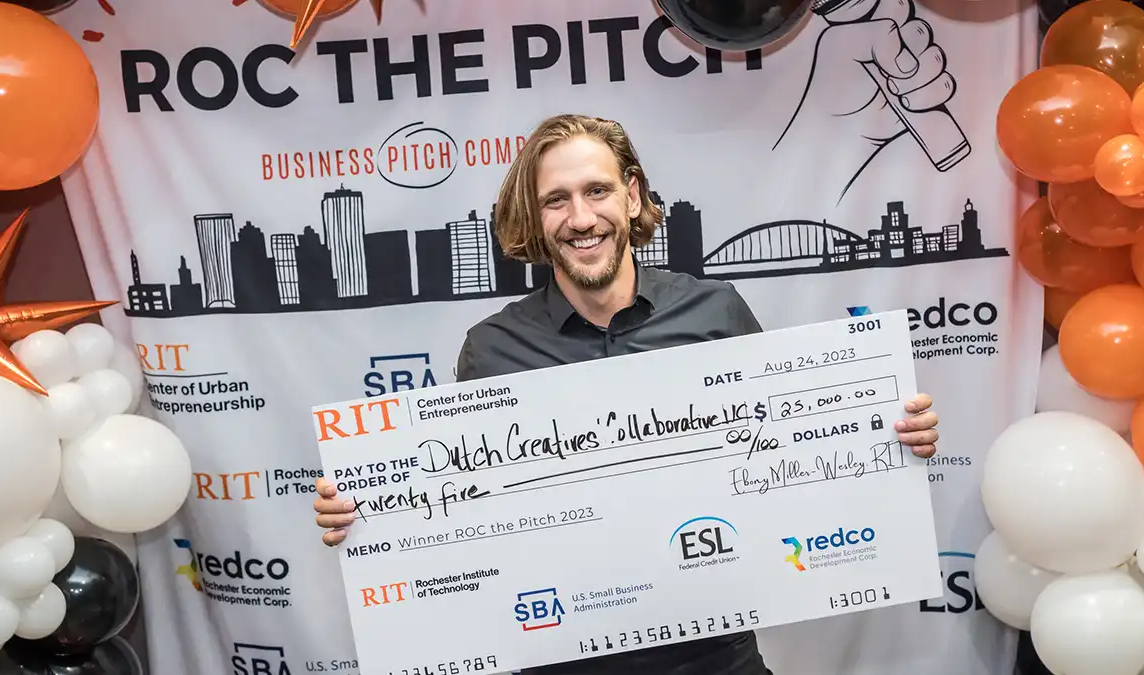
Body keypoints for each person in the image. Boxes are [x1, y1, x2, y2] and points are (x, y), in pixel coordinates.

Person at [313, 114, 940, 675]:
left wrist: (882, 443)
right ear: (535, 218)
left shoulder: (714, 312)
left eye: (597, 191)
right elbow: (463, 511)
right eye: (556, 200)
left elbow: (790, 460)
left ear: (632, 195)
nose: (581, 218)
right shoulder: (491, 350)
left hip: (714, 659)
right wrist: (370, 515)